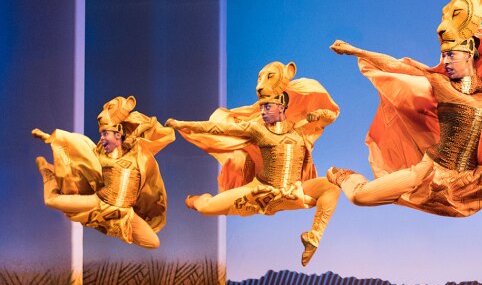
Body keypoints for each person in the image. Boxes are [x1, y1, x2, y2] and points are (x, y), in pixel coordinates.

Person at [328, 0, 482, 267]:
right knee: (360, 197)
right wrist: (356, 51)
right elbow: (396, 65)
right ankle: (341, 175)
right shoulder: (438, 82)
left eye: (451, 55)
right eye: (443, 55)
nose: (445, 61)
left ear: (470, 52)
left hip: (467, 178)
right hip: (428, 173)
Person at [166, 61, 341, 266]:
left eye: (267, 107)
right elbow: (217, 129)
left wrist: (319, 114)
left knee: (331, 186)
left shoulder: (300, 128)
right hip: (259, 192)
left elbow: (331, 115)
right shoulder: (256, 129)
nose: (263, 111)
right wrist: (183, 124)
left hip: (292, 191)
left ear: (282, 105)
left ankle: (313, 238)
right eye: (262, 107)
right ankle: (194, 200)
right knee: (208, 207)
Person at [33, 96, 173, 248]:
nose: (102, 139)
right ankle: (48, 173)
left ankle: (111, 225)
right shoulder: (100, 156)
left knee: (153, 242)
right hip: (98, 203)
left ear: (118, 135)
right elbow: (74, 145)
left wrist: (128, 117)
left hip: (126, 213)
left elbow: (155, 130)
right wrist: (48, 137)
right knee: (51, 200)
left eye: (105, 134)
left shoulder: (136, 153)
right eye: (101, 135)